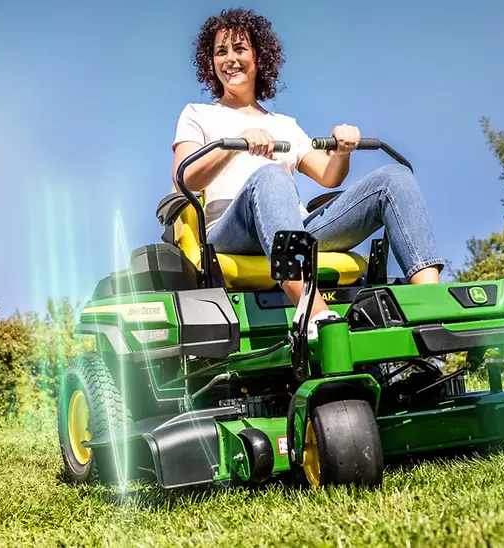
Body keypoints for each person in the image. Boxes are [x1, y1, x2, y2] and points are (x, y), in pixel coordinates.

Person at [171, 8, 444, 336]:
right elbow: (184, 178)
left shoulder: (283, 125)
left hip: (293, 232)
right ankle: (315, 314)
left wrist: (342, 152)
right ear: (210, 63)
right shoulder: (198, 115)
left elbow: (330, 176)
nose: (230, 59)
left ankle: (431, 309)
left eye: (239, 49)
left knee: (394, 178)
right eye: (220, 52)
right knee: (270, 175)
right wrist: (234, 145)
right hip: (230, 235)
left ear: (259, 57)